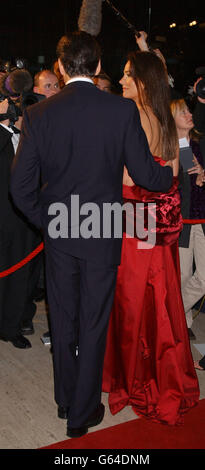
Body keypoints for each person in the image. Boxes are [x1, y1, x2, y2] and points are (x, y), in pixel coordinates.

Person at [10, 31, 174, 438]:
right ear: (98, 66)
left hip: (61, 229)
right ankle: (81, 413)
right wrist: (169, 174)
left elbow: (20, 187)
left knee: (62, 317)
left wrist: (47, 221)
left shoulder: (39, 114)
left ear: (62, 69)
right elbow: (144, 174)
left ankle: (66, 398)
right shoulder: (120, 111)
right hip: (102, 229)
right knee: (93, 322)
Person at [102, 50, 200, 426]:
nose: (122, 80)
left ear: (143, 81)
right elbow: (171, 177)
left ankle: (137, 381)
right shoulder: (162, 116)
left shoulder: (136, 117)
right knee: (160, 303)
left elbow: (128, 180)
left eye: (128, 75)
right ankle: (166, 377)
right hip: (157, 227)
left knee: (132, 304)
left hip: (134, 225)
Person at [0, 98, 40, 348]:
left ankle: (12, 326)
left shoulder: (31, 138)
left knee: (22, 277)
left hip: (27, 219)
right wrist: (3, 123)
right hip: (4, 218)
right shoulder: (4, 134)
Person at [171, 99, 205, 339]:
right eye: (183, 112)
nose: (189, 114)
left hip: (200, 220)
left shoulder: (196, 144)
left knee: (203, 277)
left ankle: (173, 315)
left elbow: (197, 180)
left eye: (188, 110)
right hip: (181, 221)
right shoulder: (170, 147)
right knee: (181, 275)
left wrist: (203, 174)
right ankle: (181, 321)